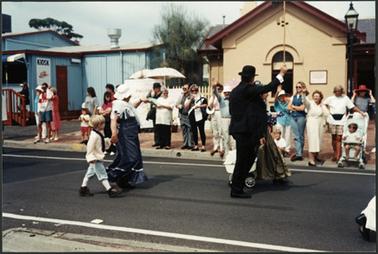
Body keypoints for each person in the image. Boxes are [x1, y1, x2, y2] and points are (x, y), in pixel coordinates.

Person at [229, 64, 287, 198]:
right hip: (245, 131)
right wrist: (281, 74)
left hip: (245, 130)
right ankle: (236, 189)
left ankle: (237, 184)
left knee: (247, 159)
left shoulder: (239, 90)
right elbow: (268, 87)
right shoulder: (246, 89)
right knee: (243, 160)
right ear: (251, 78)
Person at [107, 85, 148, 189]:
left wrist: (140, 100)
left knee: (134, 156)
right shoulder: (119, 104)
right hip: (126, 133)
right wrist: (114, 134)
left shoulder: (124, 103)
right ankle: (114, 175)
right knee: (131, 157)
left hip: (131, 133)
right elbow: (113, 119)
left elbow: (131, 107)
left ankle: (124, 180)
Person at [79, 114, 121, 198]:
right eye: (103, 123)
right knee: (102, 174)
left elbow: (101, 143)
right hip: (95, 158)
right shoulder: (94, 136)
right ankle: (109, 190)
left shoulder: (98, 133)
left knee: (89, 174)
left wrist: (109, 141)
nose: (104, 125)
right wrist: (90, 157)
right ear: (98, 125)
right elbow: (89, 147)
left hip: (96, 157)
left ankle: (83, 188)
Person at [323, 85, 366, 161]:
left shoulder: (345, 98)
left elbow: (352, 107)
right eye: (336, 91)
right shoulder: (330, 98)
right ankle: (335, 153)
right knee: (333, 138)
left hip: (342, 120)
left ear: (341, 91)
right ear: (334, 91)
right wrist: (327, 112)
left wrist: (361, 112)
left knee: (339, 138)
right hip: (332, 119)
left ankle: (338, 156)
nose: (337, 92)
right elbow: (323, 104)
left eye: (339, 91)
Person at [303, 90, 328, 166]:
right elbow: (304, 101)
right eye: (314, 96)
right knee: (313, 141)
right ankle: (311, 160)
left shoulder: (322, 105)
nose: (316, 97)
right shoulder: (310, 103)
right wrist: (304, 94)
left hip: (320, 124)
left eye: (317, 96)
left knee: (318, 141)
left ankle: (316, 157)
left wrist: (323, 107)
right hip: (312, 123)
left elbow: (327, 114)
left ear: (320, 97)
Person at [214, 84, 235, 159]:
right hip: (224, 119)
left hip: (232, 119)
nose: (227, 93)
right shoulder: (221, 99)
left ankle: (233, 156)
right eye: (226, 92)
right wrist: (215, 87)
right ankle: (226, 156)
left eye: (228, 92)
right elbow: (216, 93)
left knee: (233, 138)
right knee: (226, 138)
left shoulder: (233, 99)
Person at [185, 84, 208, 152]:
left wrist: (199, 106)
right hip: (192, 115)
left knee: (201, 131)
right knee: (194, 131)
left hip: (200, 115)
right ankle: (196, 145)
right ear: (190, 91)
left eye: (196, 90)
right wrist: (191, 99)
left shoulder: (202, 97)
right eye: (192, 90)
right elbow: (186, 107)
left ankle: (203, 146)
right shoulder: (188, 97)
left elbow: (206, 104)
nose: (194, 91)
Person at [288, 81, 307, 161]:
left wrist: (294, 107)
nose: (298, 88)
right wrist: (297, 107)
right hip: (293, 117)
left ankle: (300, 152)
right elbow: (289, 107)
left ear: (303, 88)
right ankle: (299, 154)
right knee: (296, 136)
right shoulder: (293, 96)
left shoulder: (304, 97)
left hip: (301, 117)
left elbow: (302, 108)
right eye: (297, 87)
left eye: (299, 87)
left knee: (301, 136)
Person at [208, 83, 223, 156]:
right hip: (213, 112)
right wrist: (213, 97)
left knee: (220, 130)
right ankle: (216, 146)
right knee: (214, 130)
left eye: (218, 88)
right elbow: (210, 106)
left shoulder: (221, 95)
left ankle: (221, 147)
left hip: (220, 112)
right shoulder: (212, 97)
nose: (217, 89)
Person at [274, 89, 291, 155]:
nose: (282, 97)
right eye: (280, 96)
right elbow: (275, 99)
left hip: (288, 121)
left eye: (283, 96)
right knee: (280, 135)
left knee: (288, 136)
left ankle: (287, 150)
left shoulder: (288, 103)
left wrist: (289, 101)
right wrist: (277, 91)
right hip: (280, 121)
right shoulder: (277, 103)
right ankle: (280, 149)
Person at [176, 84, 193, 149]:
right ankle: (185, 143)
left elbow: (192, 105)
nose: (184, 90)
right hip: (182, 115)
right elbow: (176, 104)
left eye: (185, 88)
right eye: (183, 88)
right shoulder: (181, 96)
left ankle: (190, 144)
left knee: (190, 130)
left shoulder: (191, 96)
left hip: (188, 115)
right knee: (184, 130)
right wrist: (178, 106)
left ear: (189, 89)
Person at [146, 82, 162, 147]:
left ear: (159, 88)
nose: (156, 89)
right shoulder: (154, 95)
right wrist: (150, 92)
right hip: (154, 113)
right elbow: (147, 97)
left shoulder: (161, 95)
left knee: (159, 128)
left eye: (157, 88)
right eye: (154, 88)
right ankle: (156, 141)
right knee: (155, 128)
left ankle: (160, 141)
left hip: (159, 113)